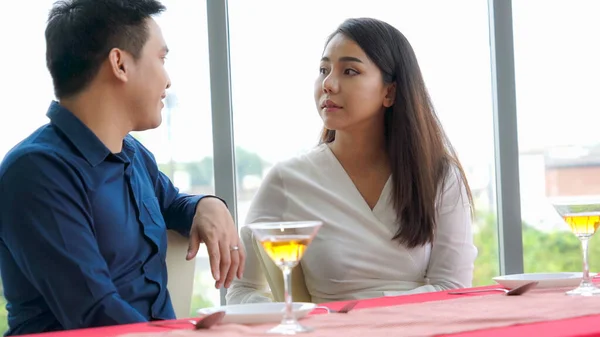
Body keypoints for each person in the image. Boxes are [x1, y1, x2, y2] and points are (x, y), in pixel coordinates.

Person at [0, 0, 245, 335]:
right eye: (161, 59)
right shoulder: (35, 172)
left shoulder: (132, 154)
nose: (168, 79)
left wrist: (208, 205)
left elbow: (172, 203)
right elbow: (94, 312)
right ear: (120, 63)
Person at [226, 17, 477, 304]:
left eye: (349, 71)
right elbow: (242, 289)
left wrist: (367, 313)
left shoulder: (439, 176)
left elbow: (453, 287)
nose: (329, 84)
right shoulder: (289, 180)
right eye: (323, 70)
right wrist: (295, 320)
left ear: (390, 92)